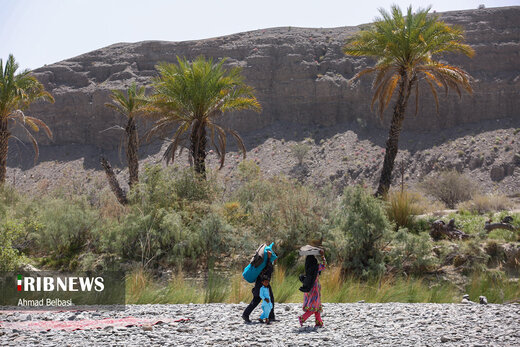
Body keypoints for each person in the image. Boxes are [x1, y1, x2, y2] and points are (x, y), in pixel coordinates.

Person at [242, 250, 275, 323]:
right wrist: (269, 258)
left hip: (263, 283)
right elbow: (268, 268)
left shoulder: (263, 263)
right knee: (256, 299)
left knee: (270, 299)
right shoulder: (265, 264)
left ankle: (271, 316)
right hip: (262, 284)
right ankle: (245, 314)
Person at [298, 249, 326, 327]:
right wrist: (322, 255)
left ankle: (319, 322)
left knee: (316, 306)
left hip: (308, 289)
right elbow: (324, 265)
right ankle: (302, 318)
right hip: (315, 289)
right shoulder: (316, 268)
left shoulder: (309, 269)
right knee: (314, 306)